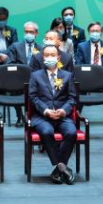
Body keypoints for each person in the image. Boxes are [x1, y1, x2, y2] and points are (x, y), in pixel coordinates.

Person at [28, 44, 78, 184]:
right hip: (42, 116)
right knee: (47, 131)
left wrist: (63, 110)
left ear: (58, 57)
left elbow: (72, 98)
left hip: (63, 115)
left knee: (71, 132)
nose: (50, 58)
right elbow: (33, 98)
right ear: (43, 57)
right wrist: (46, 110)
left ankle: (58, 170)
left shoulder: (67, 76)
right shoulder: (35, 76)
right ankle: (62, 167)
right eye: (47, 55)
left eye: (52, 55)